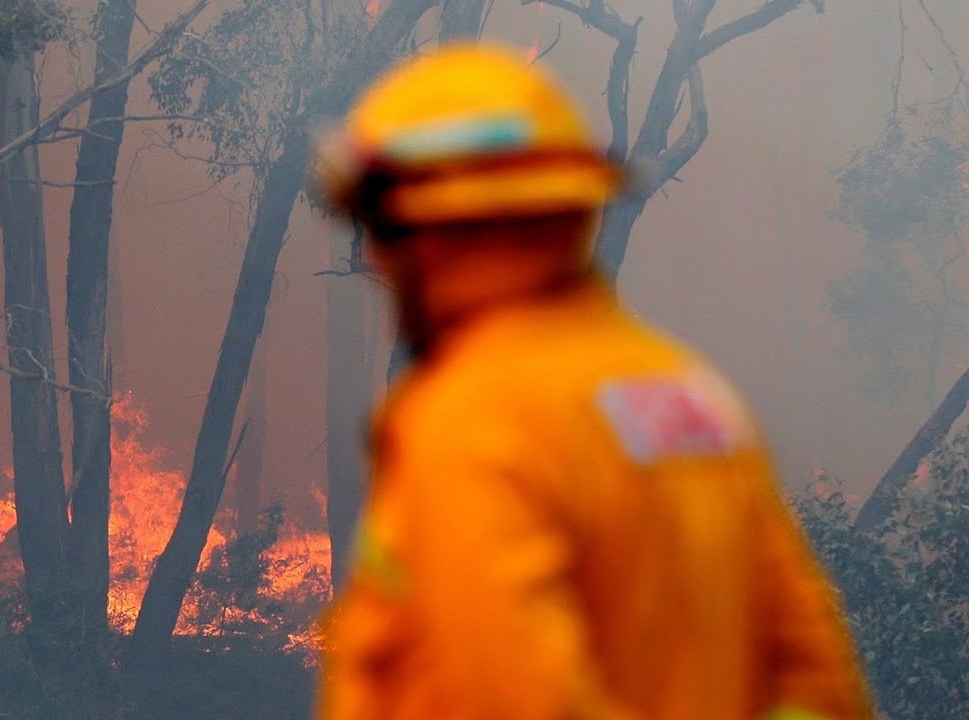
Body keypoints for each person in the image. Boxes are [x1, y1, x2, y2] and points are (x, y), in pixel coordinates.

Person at [312, 43, 872, 720]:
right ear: (570, 212)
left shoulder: (471, 418)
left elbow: (517, 701)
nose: (371, 255)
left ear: (426, 235)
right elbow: (817, 681)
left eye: (376, 229)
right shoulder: (692, 398)